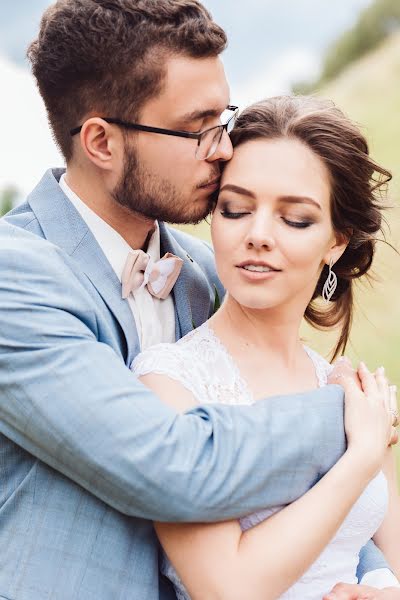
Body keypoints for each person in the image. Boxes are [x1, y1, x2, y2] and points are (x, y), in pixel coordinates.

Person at [0, 1, 396, 598]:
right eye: (196, 126)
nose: (221, 147)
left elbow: (308, 507)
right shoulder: (14, 278)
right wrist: (347, 425)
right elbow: (175, 466)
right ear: (102, 142)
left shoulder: (208, 272)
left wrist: (375, 580)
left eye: (224, 117)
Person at [132, 96, 400, 600]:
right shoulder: (168, 383)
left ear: (336, 242)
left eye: (294, 219)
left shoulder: (347, 388)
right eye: (235, 209)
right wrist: (362, 455)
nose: (257, 235)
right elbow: (225, 587)